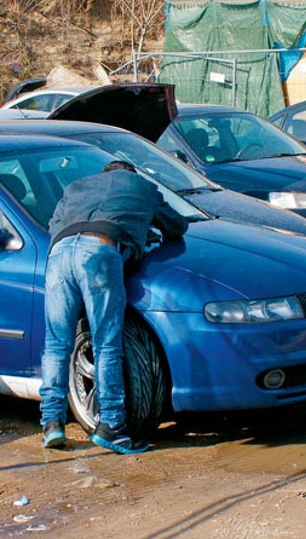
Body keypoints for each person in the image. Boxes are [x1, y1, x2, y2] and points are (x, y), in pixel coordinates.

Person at [40, 159, 188, 454]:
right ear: (129, 174)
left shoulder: (76, 186)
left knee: (56, 344)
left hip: (59, 254)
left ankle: (52, 423)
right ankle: (112, 427)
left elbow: (53, 225)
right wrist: (140, 230)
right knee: (106, 343)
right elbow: (176, 225)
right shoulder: (142, 186)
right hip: (99, 250)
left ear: (103, 174)